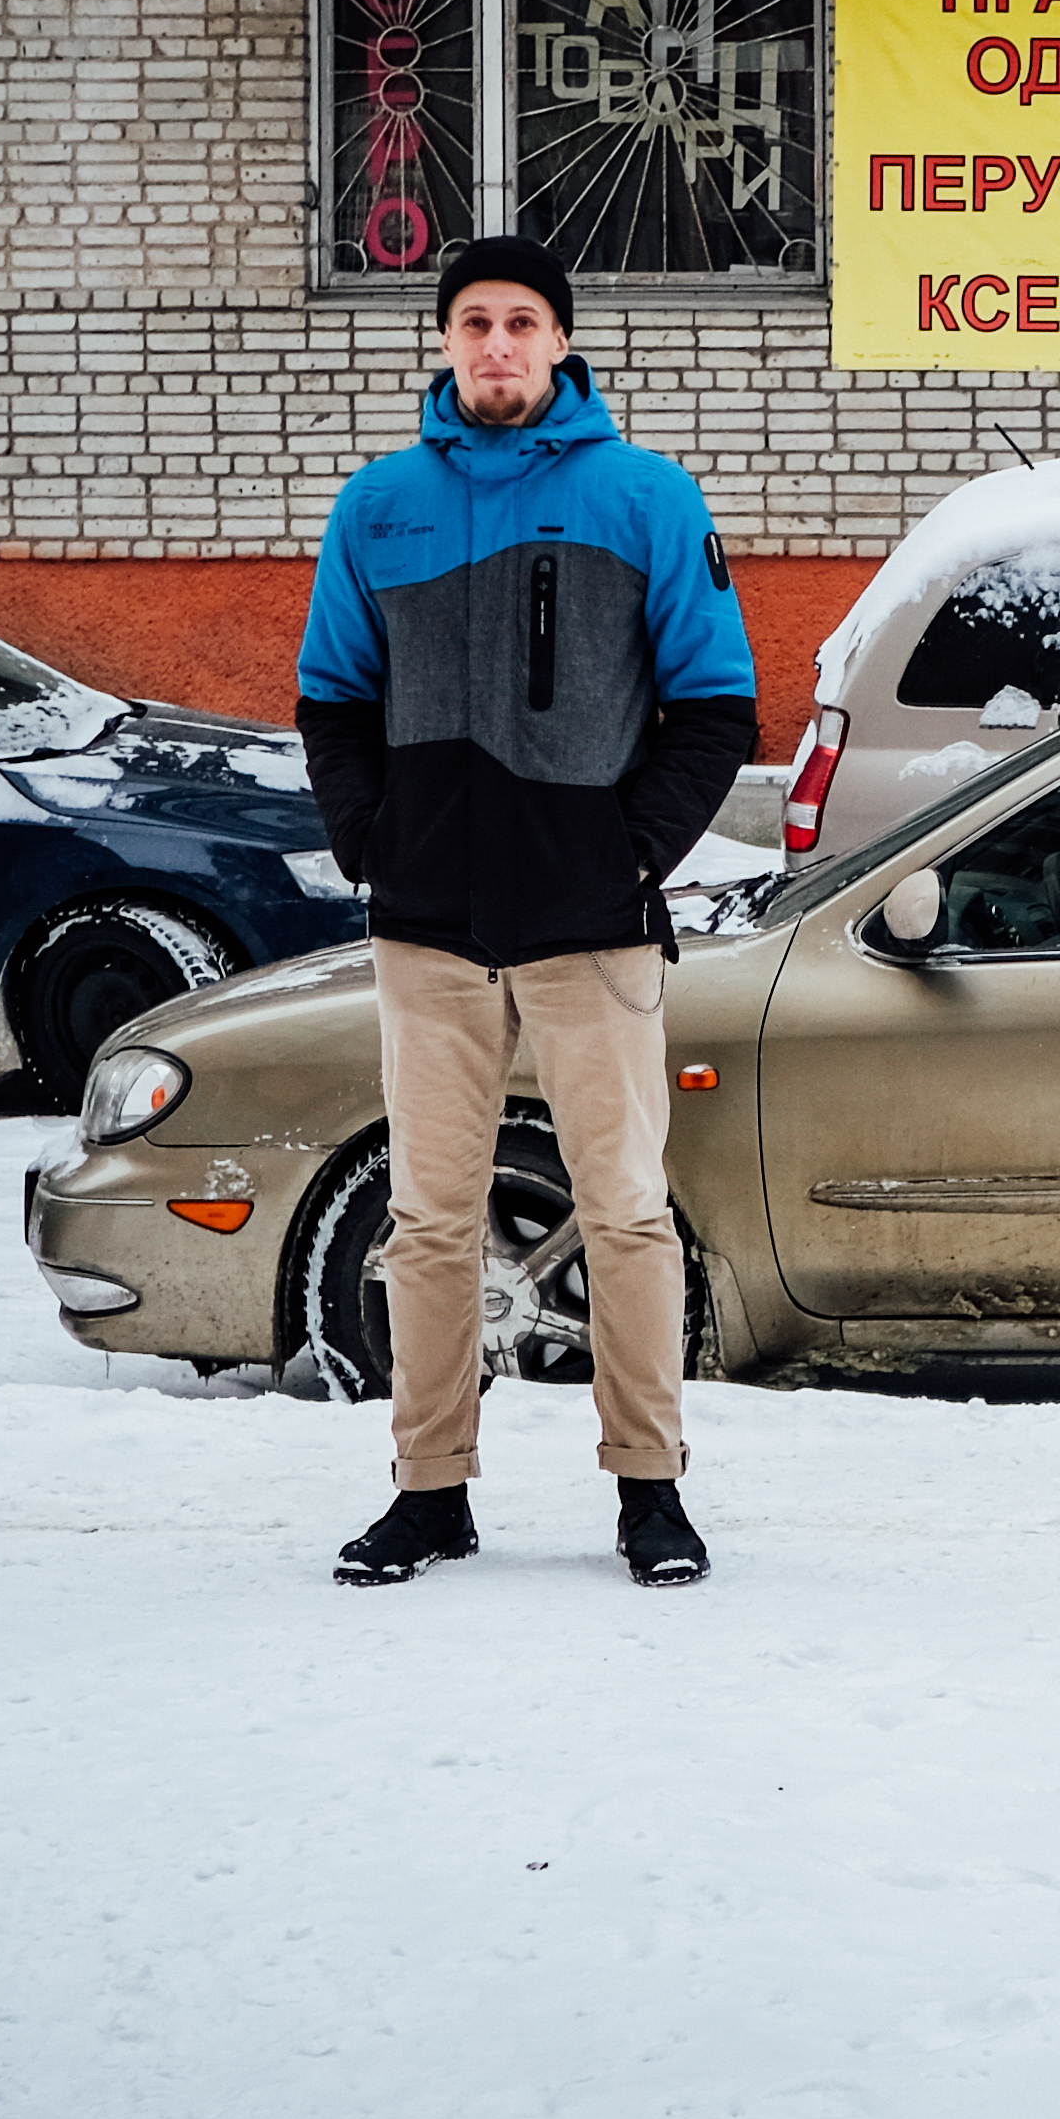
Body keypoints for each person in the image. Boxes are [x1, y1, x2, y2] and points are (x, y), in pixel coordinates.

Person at [295, 236, 756, 1585]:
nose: (496, 344)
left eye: (521, 322)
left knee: (623, 1209)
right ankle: (429, 1488)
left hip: (591, 928)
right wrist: (376, 843)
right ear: (445, 342)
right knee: (429, 1218)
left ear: (562, 341)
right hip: (430, 926)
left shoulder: (645, 497)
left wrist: (623, 855)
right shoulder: (380, 505)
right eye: (474, 323)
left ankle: (650, 1488)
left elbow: (716, 702)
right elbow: (331, 695)